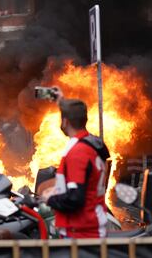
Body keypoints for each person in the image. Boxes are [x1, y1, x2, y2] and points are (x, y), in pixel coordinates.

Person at [42, 89, 110, 239]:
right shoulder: (92, 143)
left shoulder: (78, 152)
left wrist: (49, 199)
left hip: (81, 234)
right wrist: (60, 100)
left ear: (65, 121)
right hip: (86, 230)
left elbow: (75, 199)